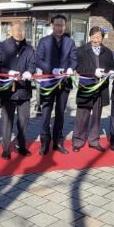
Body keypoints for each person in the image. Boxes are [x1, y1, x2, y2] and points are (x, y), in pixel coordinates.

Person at [35, 15, 77, 155]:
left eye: (62, 25)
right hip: (48, 81)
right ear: (52, 25)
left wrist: (71, 68)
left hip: (64, 82)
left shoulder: (70, 42)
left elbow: (74, 59)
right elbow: (38, 59)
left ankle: (58, 141)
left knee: (60, 113)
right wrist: (51, 69)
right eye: (57, 25)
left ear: (65, 26)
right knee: (46, 112)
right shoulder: (44, 41)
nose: (60, 28)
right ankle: (45, 142)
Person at [72, 26, 114, 152]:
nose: (95, 40)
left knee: (96, 116)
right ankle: (78, 141)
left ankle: (94, 140)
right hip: (86, 87)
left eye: (98, 37)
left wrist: (111, 71)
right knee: (82, 116)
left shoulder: (107, 51)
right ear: (90, 37)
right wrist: (93, 72)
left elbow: (111, 66)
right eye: (93, 37)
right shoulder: (81, 50)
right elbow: (79, 68)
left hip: (101, 88)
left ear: (102, 38)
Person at [0, 21, 35, 159]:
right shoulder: (2, 47)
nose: (19, 32)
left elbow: (32, 64)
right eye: (16, 29)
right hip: (8, 90)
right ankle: (6, 149)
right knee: (7, 121)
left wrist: (29, 72)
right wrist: (8, 72)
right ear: (11, 31)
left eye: (22, 30)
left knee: (24, 120)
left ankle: (22, 146)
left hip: (24, 90)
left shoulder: (29, 49)